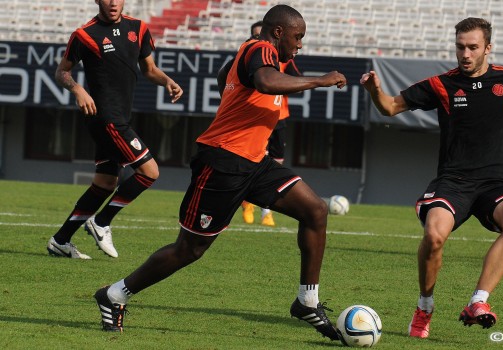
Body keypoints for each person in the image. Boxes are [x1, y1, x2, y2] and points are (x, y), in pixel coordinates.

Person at [93, 4, 346, 341]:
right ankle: (115, 294)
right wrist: (321, 80)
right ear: (279, 32)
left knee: (315, 210)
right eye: (298, 37)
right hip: (223, 163)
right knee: (189, 249)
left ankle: (307, 301)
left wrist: (236, 98)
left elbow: (226, 76)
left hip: (255, 162)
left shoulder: (262, 54)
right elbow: (266, 82)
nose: (301, 45)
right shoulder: (260, 49)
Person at [360, 17, 503, 339]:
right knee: (433, 236)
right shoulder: (441, 85)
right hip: (453, 182)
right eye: (460, 47)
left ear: (488, 47)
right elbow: (389, 107)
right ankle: (425, 307)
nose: (465, 54)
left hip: (496, 182)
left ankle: (478, 301)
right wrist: (375, 90)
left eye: (473, 47)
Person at [46, 0, 183, 259]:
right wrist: (77, 89)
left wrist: (167, 81)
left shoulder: (139, 28)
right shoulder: (84, 34)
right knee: (149, 171)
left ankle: (61, 240)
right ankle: (102, 222)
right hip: (105, 118)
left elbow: (150, 70)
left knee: (106, 182)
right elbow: (62, 72)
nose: (112, 2)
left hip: (120, 118)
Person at [240, 20, 303, 227]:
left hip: (279, 117)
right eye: (255, 35)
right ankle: (249, 204)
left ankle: (266, 210)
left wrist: (281, 81)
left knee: (276, 164)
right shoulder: (251, 53)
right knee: (255, 160)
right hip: (256, 117)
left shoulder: (283, 58)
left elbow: (298, 83)